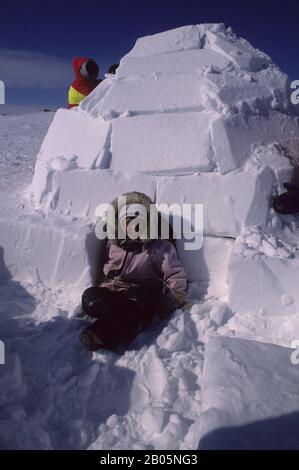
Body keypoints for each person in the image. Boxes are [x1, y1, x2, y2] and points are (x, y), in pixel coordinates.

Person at [79, 191, 187, 351]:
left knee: (132, 311)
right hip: (115, 293)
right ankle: (116, 321)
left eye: (138, 223)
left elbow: (175, 274)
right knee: (90, 299)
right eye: (128, 223)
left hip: (142, 295)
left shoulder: (159, 247)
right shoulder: (113, 245)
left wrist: (172, 299)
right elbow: (108, 271)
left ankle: (99, 335)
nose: (133, 228)